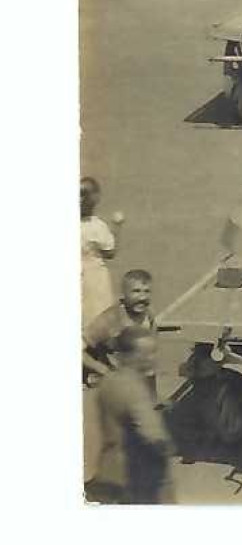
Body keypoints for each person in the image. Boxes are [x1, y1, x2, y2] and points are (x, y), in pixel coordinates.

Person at [86, 326, 174, 504]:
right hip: (136, 477)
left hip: (108, 469)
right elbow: (153, 435)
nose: (152, 359)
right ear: (131, 355)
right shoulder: (135, 389)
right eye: (147, 354)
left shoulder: (109, 381)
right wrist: (167, 447)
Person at [83, 269, 156, 382]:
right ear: (123, 294)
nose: (142, 297)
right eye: (136, 291)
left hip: (142, 382)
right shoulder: (110, 319)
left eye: (146, 291)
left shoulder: (148, 315)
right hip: (115, 386)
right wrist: (104, 370)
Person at [80, 177, 120, 328]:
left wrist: (117, 229)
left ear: (95, 198)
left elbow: (110, 252)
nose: (79, 199)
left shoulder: (97, 226)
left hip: (93, 279)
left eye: (84, 194)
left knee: (95, 322)